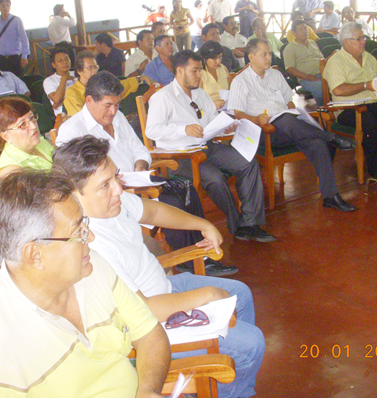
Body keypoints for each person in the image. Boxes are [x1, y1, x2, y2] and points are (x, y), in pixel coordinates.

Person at [52, 136, 264, 398]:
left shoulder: (111, 205)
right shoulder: (92, 246)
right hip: (152, 326)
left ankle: (227, 386)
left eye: (115, 177)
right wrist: (206, 294)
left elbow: (152, 212)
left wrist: (202, 224)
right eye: (105, 185)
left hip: (165, 288)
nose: (118, 189)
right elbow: (142, 310)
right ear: (73, 194)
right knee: (251, 344)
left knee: (240, 294)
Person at [0, 169, 170, 398]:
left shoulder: (89, 266)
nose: (91, 237)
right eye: (79, 231)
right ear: (35, 254)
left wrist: (148, 390)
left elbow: (149, 333)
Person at [55, 72, 234, 276]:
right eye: (107, 105)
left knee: (185, 187)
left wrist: (140, 164)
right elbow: (71, 178)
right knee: (170, 200)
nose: (113, 111)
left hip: (138, 177)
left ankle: (201, 249)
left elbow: (139, 149)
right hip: (112, 191)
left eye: (117, 104)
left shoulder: (118, 118)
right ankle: (189, 258)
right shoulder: (72, 130)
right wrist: (115, 181)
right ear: (89, 100)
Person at [146, 50, 276, 242]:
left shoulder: (200, 94)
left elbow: (212, 119)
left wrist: (225, 126)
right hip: (181, 156)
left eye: (200, 71)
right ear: (180, 71)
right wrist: (184, 130)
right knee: (215, 179)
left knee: (248, 163)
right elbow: (152, 131)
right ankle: (238, 224)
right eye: (195, 71)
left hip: (207, 147)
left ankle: (251, 223)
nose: (199, 75)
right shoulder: (163, 97)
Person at [229, 38, 357, 212]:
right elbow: (238, 114)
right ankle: (331, 137)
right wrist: (257, 119)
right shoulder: (240, 81)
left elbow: (288, 103)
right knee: (285, 120)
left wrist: (294, 113)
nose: (269, 58)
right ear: (251, 56)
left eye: (270, 54)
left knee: (316, 143)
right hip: (264, 132)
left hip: (289, 128)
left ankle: (331, 196)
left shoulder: (275, 74)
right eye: (264, 54)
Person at [323, 22, 377, 183]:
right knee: (371, 124)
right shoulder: (336, 61)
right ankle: (376, 168)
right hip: (349, 109)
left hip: (374, 102)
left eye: (364, 37)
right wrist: (366, 85)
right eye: (359, 38)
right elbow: (338, 90)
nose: (364, 41)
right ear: (346, 41)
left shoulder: (369, 57)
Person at [0, 96, 54, 177]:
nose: (33, 126)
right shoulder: (11, 171)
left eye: (32, 118)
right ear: (6, 136)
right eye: (22, 125)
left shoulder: (42, 143)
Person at [283, 20, 324, 105]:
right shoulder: (289, 48)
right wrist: (307, 77)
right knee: (320, 87)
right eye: (301, 29)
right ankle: (323, 111)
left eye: (305, 28)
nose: (305, 31)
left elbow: (322, 59)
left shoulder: (312, 43)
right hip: (306, 78)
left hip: (323, 74)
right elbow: (289, 69)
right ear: (294, 33)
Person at [0, 0, 30, 77]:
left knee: (19, 82)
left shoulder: (16, 20)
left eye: (7, 5)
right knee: (4, 83)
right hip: (2, 59)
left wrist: (25, 56)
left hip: (16, 59)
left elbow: (24, 40)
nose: (5, 7)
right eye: (3, 5)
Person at [64, 50, 100, 116]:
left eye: (95, 67)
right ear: (79, 71)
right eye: (90, 68)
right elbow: (81, 117)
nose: (94, 70)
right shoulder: (72, 92)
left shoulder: (101, 88)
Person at [43, 47, 76, 116]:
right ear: (53, 65)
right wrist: (64, 78)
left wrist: (63, 101)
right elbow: (57, 100)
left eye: (66, 59)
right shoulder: (49, 81)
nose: (64, 62)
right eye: (60, 60)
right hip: (64, 117)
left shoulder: (78, 74)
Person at [199, 41, 230, 109]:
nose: (218, 61)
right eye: (214, 59)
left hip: (226, 108)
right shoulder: (200, 74)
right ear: (205, 59)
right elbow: (197, 102)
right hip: (208, 111)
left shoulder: (223, 69)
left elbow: (229, 90)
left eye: (220, 57)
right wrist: (212, 105)